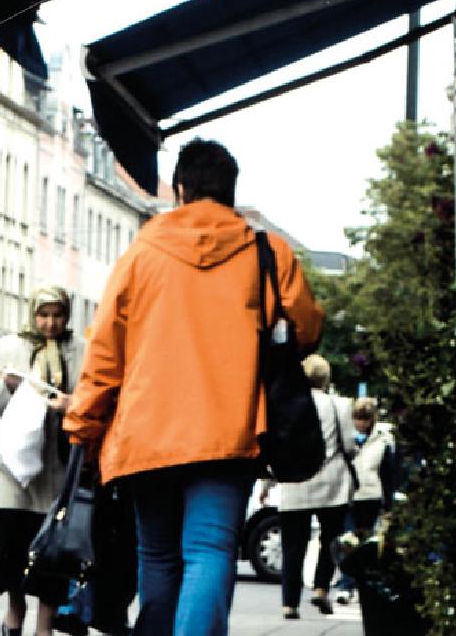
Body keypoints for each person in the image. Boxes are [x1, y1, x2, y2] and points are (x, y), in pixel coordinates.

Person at [64, 138, 324, 636]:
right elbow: (306, 329)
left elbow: (105, 352)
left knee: (158, 555)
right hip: (230, 431)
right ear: (230, 191)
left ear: (180, 189)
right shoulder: (267, 253)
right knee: (209, 549)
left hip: (146, 433)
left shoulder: (141, 254)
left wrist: (83, 425)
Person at [0, 285, 83, 636]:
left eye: (57, 315)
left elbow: (93, 401)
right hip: (13, 468)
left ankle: (44, 625)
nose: (50, 323)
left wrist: (71, 405)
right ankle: (15, 610)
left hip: (57, 467)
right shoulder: (9, 347)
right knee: (12, 545)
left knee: (52, 551)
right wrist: (7, 386)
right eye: (43, 315)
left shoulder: (80, 351)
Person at [259, 354, 356, 619]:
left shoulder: (286, 403)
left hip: (294, 483)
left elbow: (276, 447)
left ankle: (289, 603)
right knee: (330, 538)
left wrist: (267, 483)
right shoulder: (339, 405)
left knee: (293, 544)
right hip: (331, 482)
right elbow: (349, 446)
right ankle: (321, 588)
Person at [335, 397, 397, 605]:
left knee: (364, 544)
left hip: (371, 497)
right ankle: (346, 586)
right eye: (357, 418)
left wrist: (388, 505)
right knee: (348, 540)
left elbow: (387, 475)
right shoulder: (346, 437)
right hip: (348, 496)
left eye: (365, 419)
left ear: (372, 420)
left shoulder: (383, 440)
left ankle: (360, 585)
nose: (360, 423)